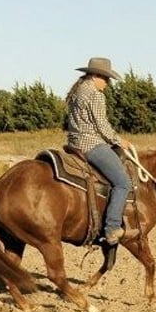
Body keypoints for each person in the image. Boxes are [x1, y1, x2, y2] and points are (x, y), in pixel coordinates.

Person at [65, 57, 133, 244]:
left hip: (74, 143)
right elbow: (102, 126)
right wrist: (119, 141)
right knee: (123, 183)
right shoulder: (95, 94)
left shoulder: (77, 91)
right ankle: (111, 227)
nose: (107, 83)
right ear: (95, 75)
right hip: (91, 145)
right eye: (106, 78)